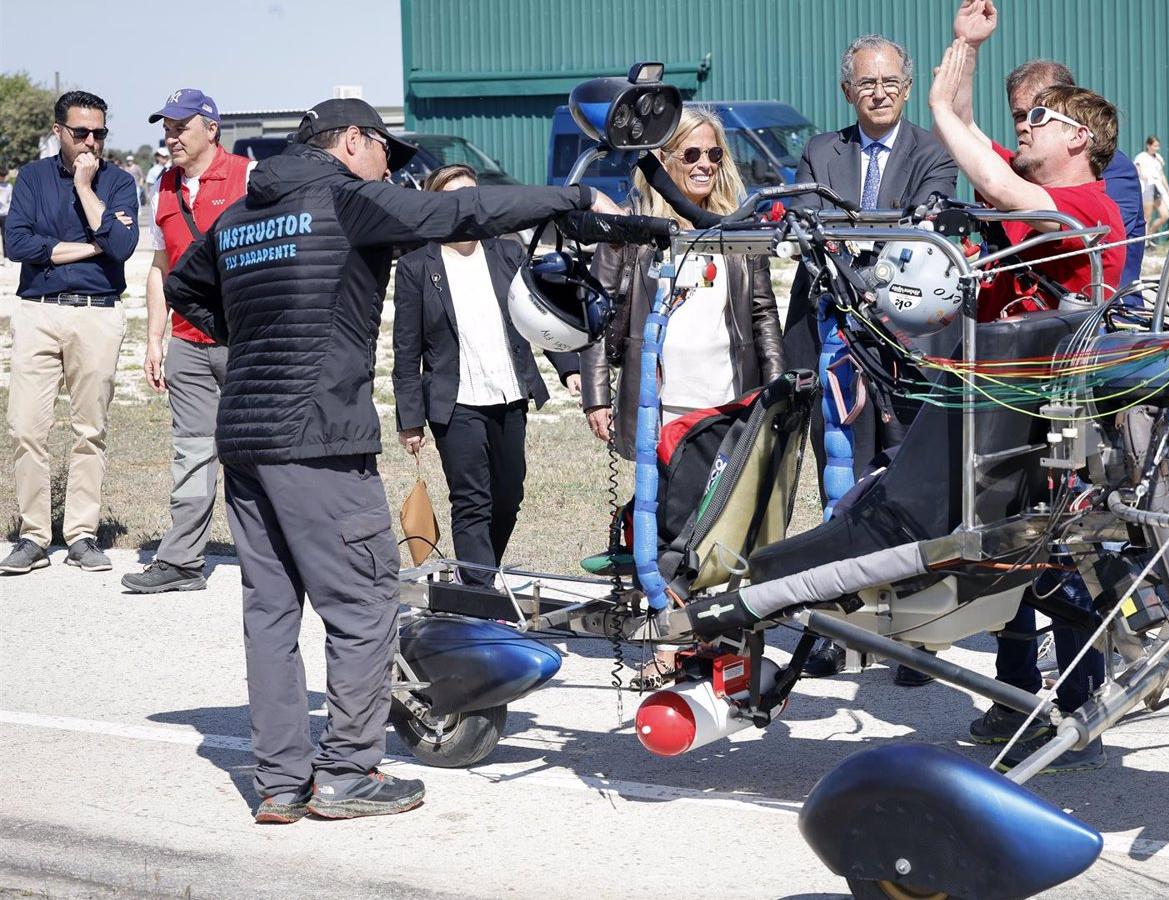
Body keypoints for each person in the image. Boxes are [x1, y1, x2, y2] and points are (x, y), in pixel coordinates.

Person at [162, 97, 622, 824]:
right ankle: (348, 771)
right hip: (318, 438)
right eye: (386, 155)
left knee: (271, 614)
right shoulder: (347, 201)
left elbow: (184, 284)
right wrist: (574, 196)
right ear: (352, 142)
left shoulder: (241, 216)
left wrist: (258, 333)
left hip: (245, 436)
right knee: (364, 605)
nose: (393, 172)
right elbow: (461, 215)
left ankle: (280, 782)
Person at [934, 0, 1127, 772]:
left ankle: (1079, 705)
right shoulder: (1039, 190)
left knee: (1051, 558)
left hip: (1047, 414)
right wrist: (964, 49)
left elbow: (980, 162)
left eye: (1039, 117)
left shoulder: (1084, 206)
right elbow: (981, 144)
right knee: (1012, 556)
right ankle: (1017, 698)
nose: (1025, 127)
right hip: (1004, 401)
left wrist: (944, 106)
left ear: (1078, 137)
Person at [788, 34, 960, 685]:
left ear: (907, 88)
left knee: (909, 483)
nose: (880, 92)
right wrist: (857, 245)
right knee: (843, 479)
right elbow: (810, 229)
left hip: (908, 348)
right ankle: (845, 623)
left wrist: (857, 245)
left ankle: (914, 631)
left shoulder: (932, 153)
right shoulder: (820, 152)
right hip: (835, 345)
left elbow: (921, 228)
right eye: (867, 83)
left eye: (890, 82)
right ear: (847, 91)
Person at [392, 164, 581, 587]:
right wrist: (409, 419)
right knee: (471, 500)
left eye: (475, 197)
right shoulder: (416, 267)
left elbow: (537, 318)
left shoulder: (507, 252)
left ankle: (476, 575)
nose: (468, 207)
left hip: (509, 391)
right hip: (455, 401)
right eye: (456, 197)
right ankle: (480, 596)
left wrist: (569, 369)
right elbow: (406, 350)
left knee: (509, 495)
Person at [580, 106, 784, 455]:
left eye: (713, 153)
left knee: (722, 506)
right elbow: (595, 313)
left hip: (730, 398)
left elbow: (763, 314)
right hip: (659, 403)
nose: (705, 164)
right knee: (662, 504)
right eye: (691, 154)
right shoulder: (630, 227)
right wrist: (596, 397)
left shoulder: (738, 230)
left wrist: (778, 390)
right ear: (663, 160)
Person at [1, 91, 138, 576]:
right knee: (25, 428)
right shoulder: (32, 178)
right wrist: (90, 246)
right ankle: (33, 536)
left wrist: (85, 188)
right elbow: (16, 243)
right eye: (81, 132)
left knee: (90, 430)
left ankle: (81, 534)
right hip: (37, 311)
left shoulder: (118, 182)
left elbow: (121, 245)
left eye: (99, 133)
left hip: (96, 313)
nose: (91, 142)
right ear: (58, 131)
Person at [121, 89, 251, 594]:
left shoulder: (247, 177)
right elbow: (160, 269)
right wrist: (154, 341)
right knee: (193, 452)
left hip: (246, 342)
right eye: (166, 129)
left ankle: (274, 555)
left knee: (257, 453)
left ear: (211, 128)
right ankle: (181, 563)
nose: (170, 137)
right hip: (188, 344)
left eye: (181, 128)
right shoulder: (164, 188)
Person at [1001, 59, 1146, 296]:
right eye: (1020, 115)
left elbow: (1094, 238)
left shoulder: (1112, 168)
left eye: (1039, 114)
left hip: (1106, 318)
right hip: (1025, 319)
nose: (1026, 125)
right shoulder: (1022, 170)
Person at [1134, 135, 1169, 235]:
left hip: (1157, 189)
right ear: (1148, 145)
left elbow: (1161, 175)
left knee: (1165, 215)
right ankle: (1145, 242)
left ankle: (1149, 234)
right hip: (1147, 189)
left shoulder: (1158, 158)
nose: (1157, 148)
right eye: (1155, 146)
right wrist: (1143, 175)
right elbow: (1138, 168)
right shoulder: (1141, 156)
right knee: (1147, 217)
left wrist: (1168, 191)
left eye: (1158, 146)